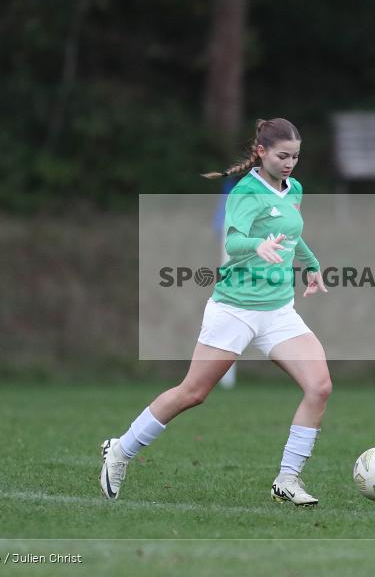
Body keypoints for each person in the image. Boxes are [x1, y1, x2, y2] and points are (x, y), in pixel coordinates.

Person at [100, 118, 331, 506]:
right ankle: (120, 450)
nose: (291, 163)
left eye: (296, 156)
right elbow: (235, 238)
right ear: (261, 152)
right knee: (193, 393)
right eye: (282, 156)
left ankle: (288, 479)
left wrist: (310, 263)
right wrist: (256, 245)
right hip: (235, 311)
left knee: (319, 387)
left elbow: (292, 233)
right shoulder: (245, 193)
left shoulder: (295, 189)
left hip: (278, 312)